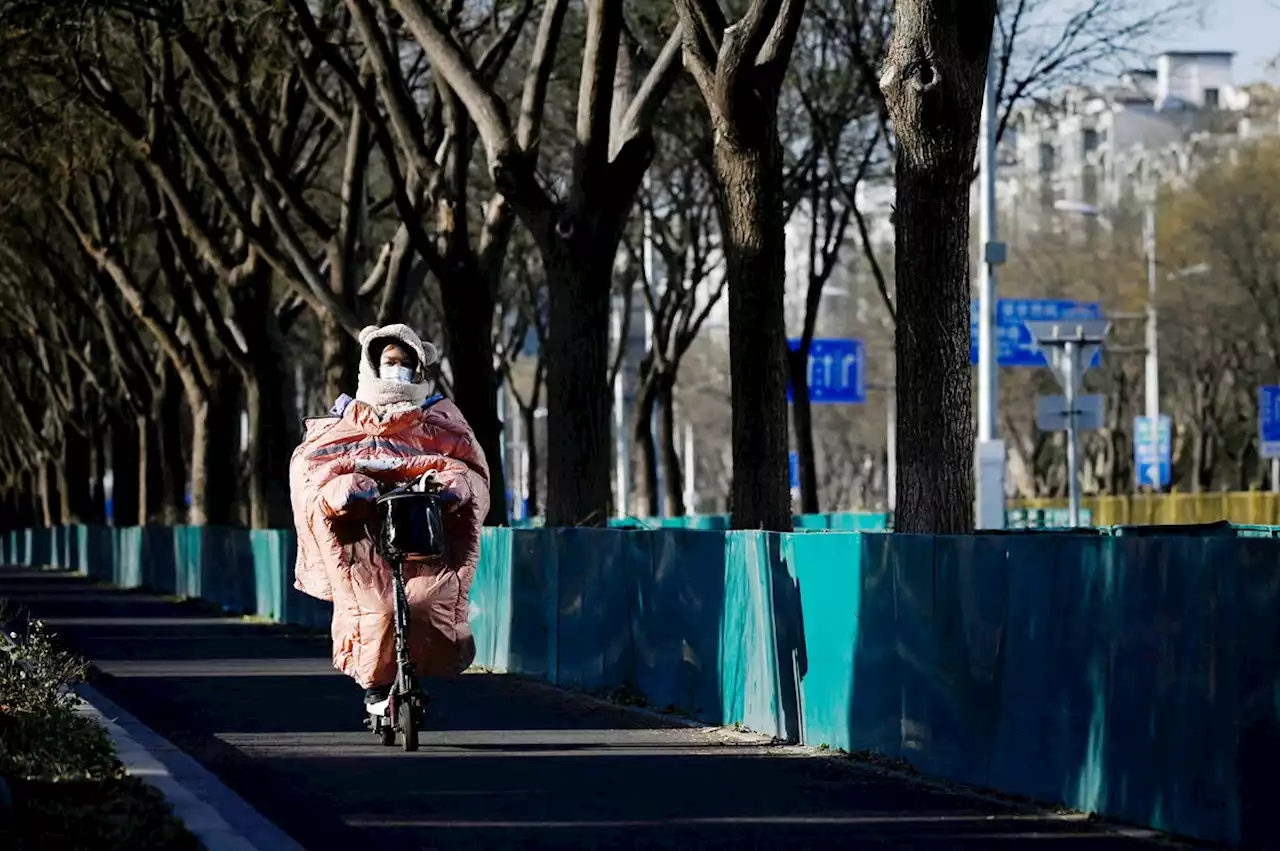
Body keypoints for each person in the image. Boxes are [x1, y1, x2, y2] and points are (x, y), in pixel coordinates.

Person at [288, 323, 490, 717]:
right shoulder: (341, 422)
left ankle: (415, 671)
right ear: (372, 366)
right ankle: (375, 687)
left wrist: (451, 486)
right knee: (376, 609)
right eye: (388, 361)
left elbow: (473, 474)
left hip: (424, 529)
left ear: (418, 369)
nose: (395, 369)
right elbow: (311, 474)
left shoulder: (442, 421)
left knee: (426, 601)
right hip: (360, 536)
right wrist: (343, 490)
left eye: (403, 362)